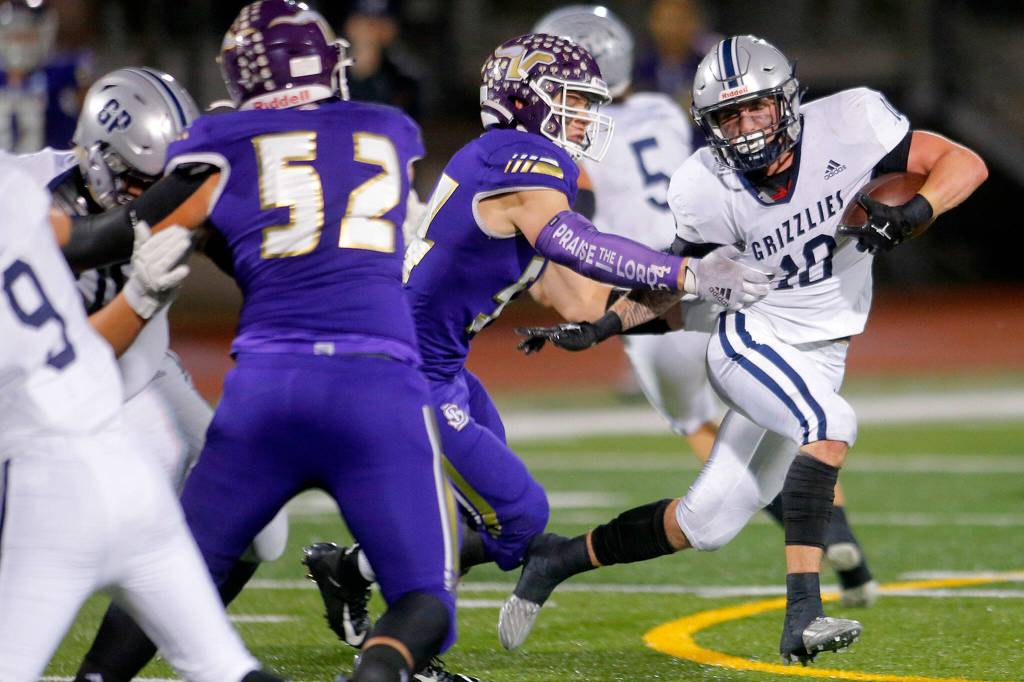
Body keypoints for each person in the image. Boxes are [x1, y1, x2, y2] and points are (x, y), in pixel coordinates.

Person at [501, 35, 987, 664]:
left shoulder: (851, 123)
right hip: (751, 340)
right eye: (729, 115)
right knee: (831, 422)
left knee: (707, 523)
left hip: (820, 352)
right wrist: (599, 328)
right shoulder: (705, 185)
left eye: (756, 107)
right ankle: (805, 614)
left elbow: (964, 163)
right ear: (710, 125)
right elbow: (668, 287)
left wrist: (917, 208)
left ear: (787, 99)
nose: (747, 126)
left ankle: (557, 558)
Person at [301, 28, 770, 670]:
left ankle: (350, 570)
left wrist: (687, 295)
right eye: (573, 101)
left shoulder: (509, 167)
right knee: (520, 517)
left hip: (437, 365)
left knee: (493, 523)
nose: (585, 116)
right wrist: (686, 274)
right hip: (402, 373)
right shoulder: (520, 162)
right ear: (530, 100)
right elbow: (575, 242)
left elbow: (580, 299)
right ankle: (410, 657)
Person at [54, 3, 460, 681]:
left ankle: (96, 677)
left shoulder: (215, 143)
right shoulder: (392, 128)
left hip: (267, 393)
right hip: (377, 386)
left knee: (175, 579)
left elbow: (103, 240)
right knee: (424, 599)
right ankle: (378, 673)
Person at [529, 4, 880, 608]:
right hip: (720, 278)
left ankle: (807, 592)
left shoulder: (570, 145)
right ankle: (840, 541)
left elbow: (570, 223)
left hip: (654, 289)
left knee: (716, 422)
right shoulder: (662, 113)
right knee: (797, 423)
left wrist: (588, 309)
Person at [38, 67, 289, 682]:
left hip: (142, 376)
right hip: (37, 394)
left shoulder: (175, 184)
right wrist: (142, 299)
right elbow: (63, 362)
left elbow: (265, 260)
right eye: (138, 183)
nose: (154, 203)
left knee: (259, 524)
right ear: (95, 157)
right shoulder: (21, 197)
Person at [0, 0, 91, 152]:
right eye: (14, 37)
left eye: (27, 36)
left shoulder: (65, 74)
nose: (19, 45)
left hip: (57, 170)